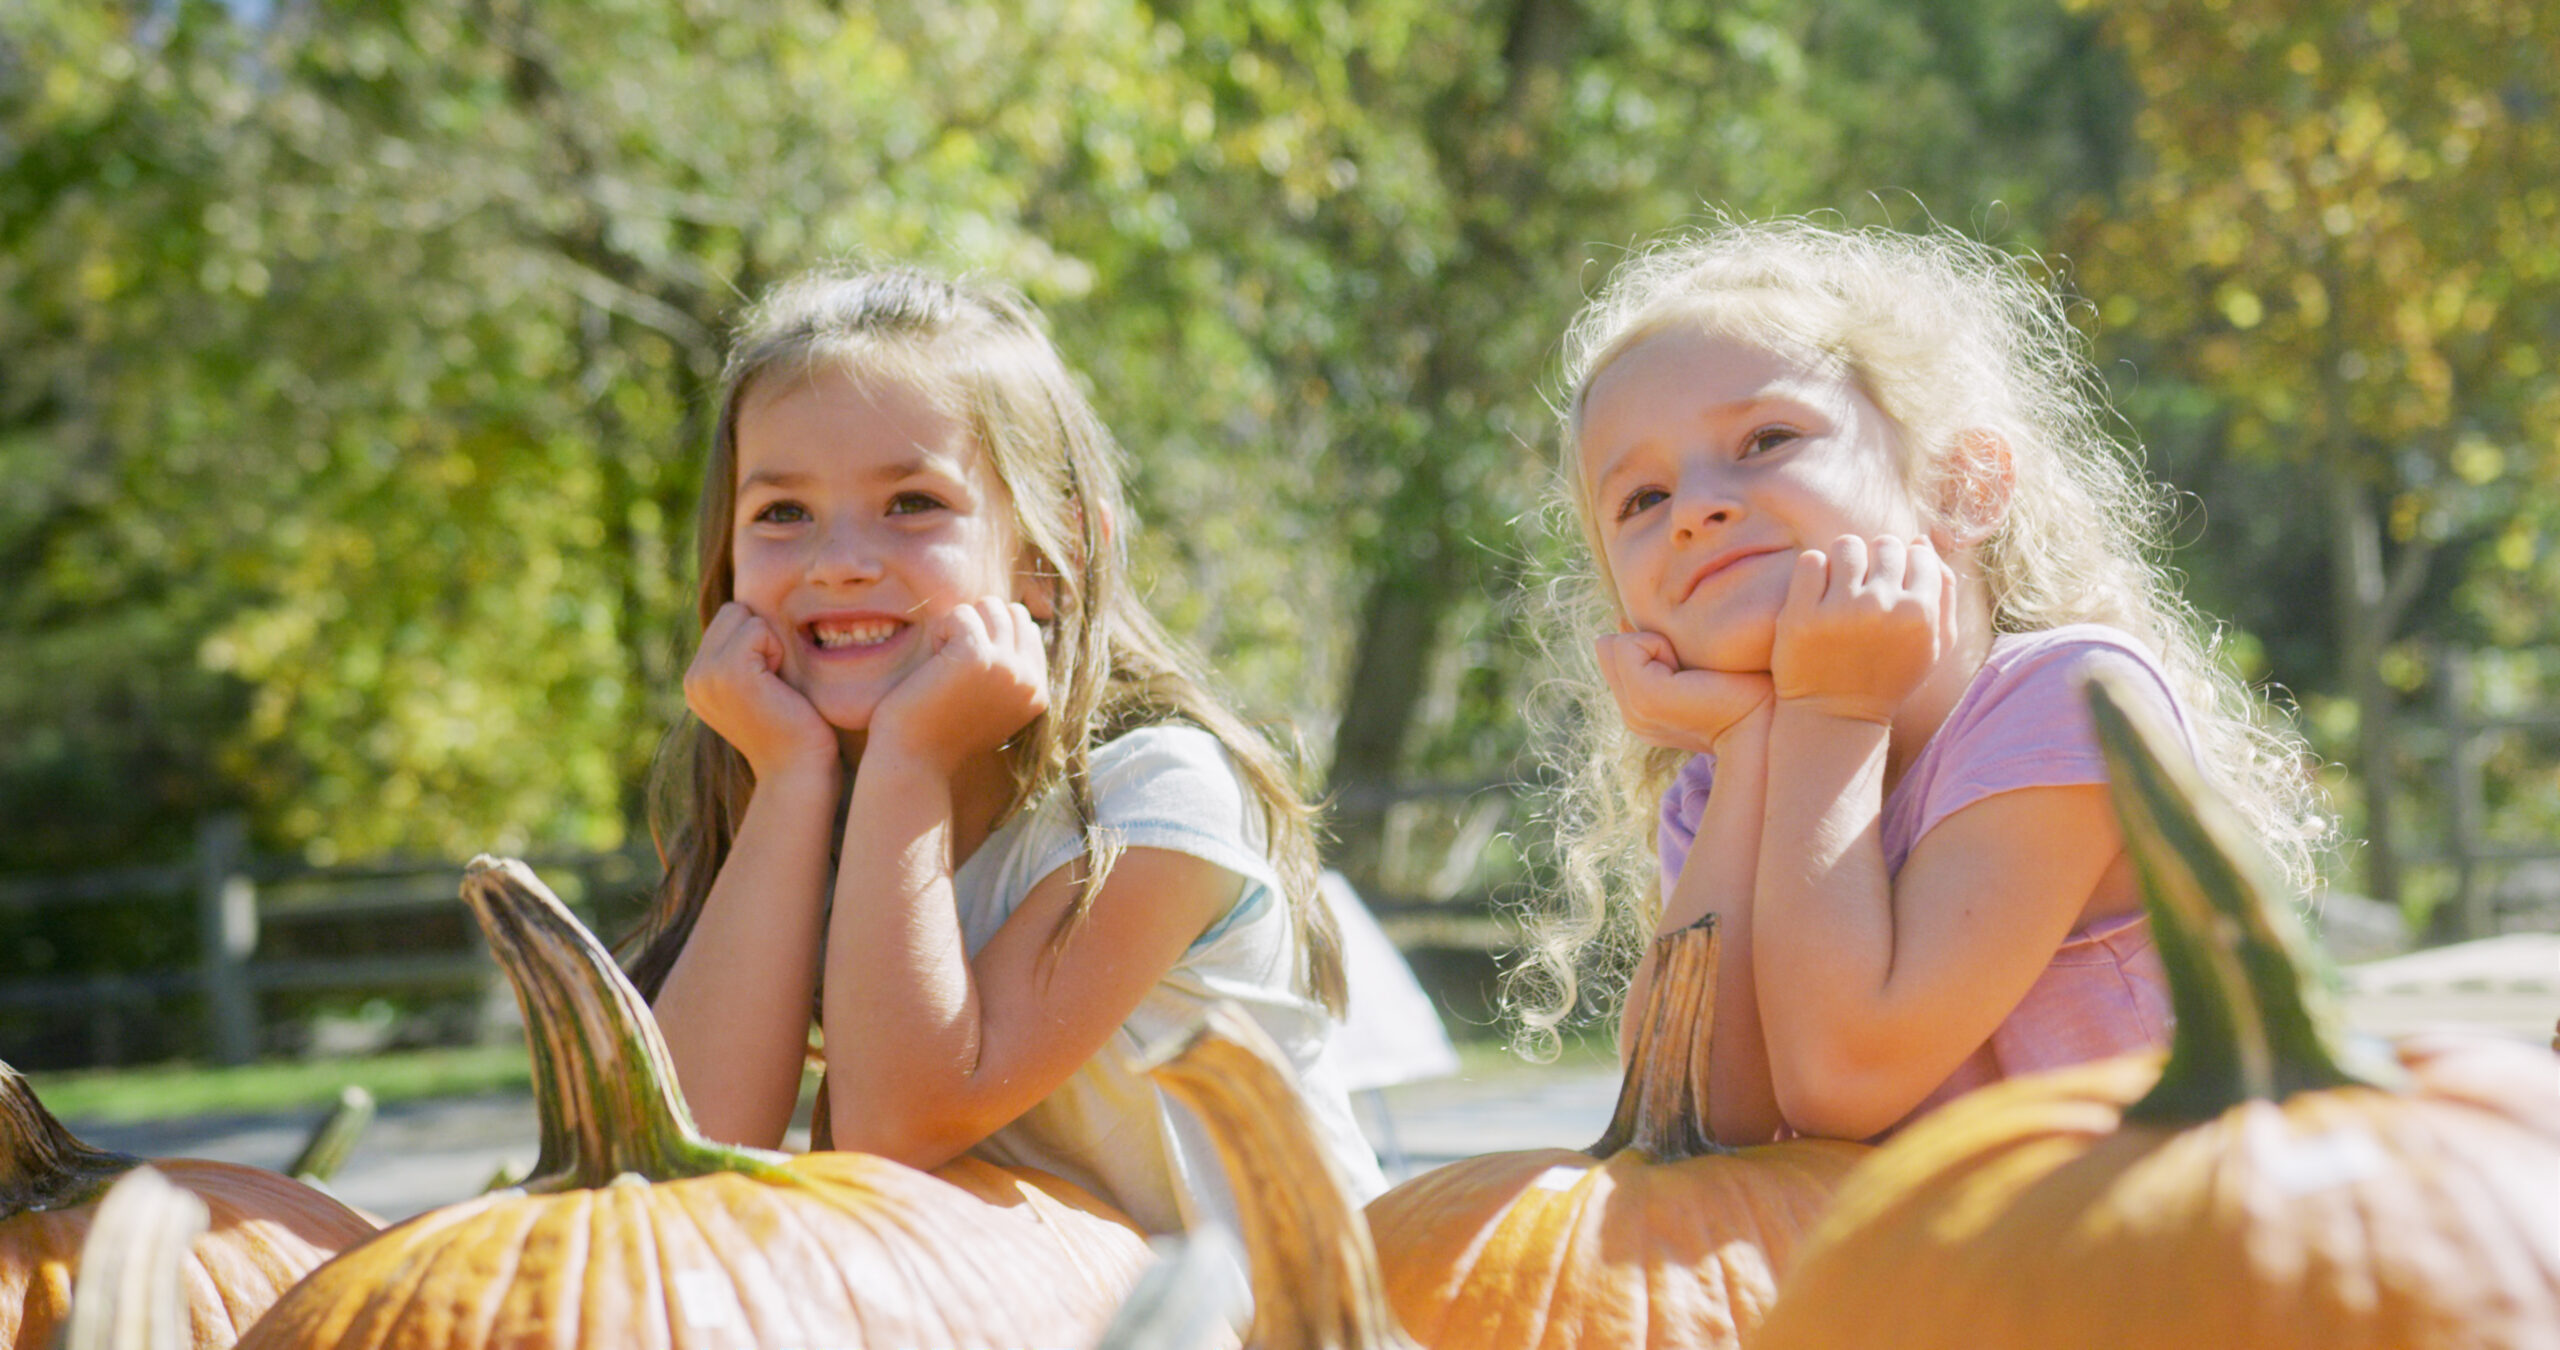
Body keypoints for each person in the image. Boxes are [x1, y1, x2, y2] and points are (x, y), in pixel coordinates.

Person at [1515, 215, 2329, 1145]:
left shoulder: (2072, 701)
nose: (1695, 508)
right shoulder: (1718, 792)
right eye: (1643, 499)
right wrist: (1748, 753)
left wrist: (1832, 710)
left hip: (2155, 1233)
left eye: (1765, 439)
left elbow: (1845, 1075)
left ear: (1958, 485)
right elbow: (1694, 1123)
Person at [620, 266, 1386, 1234]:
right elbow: (676, 1161)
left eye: (912, 502)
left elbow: (892, 1131)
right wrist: (788, 779)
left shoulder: (1156, 796)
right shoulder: (803, 810)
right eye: (782, 513)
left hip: (1268, 1308)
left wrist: (908, 761)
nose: (839, 561)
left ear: (1050, 555)